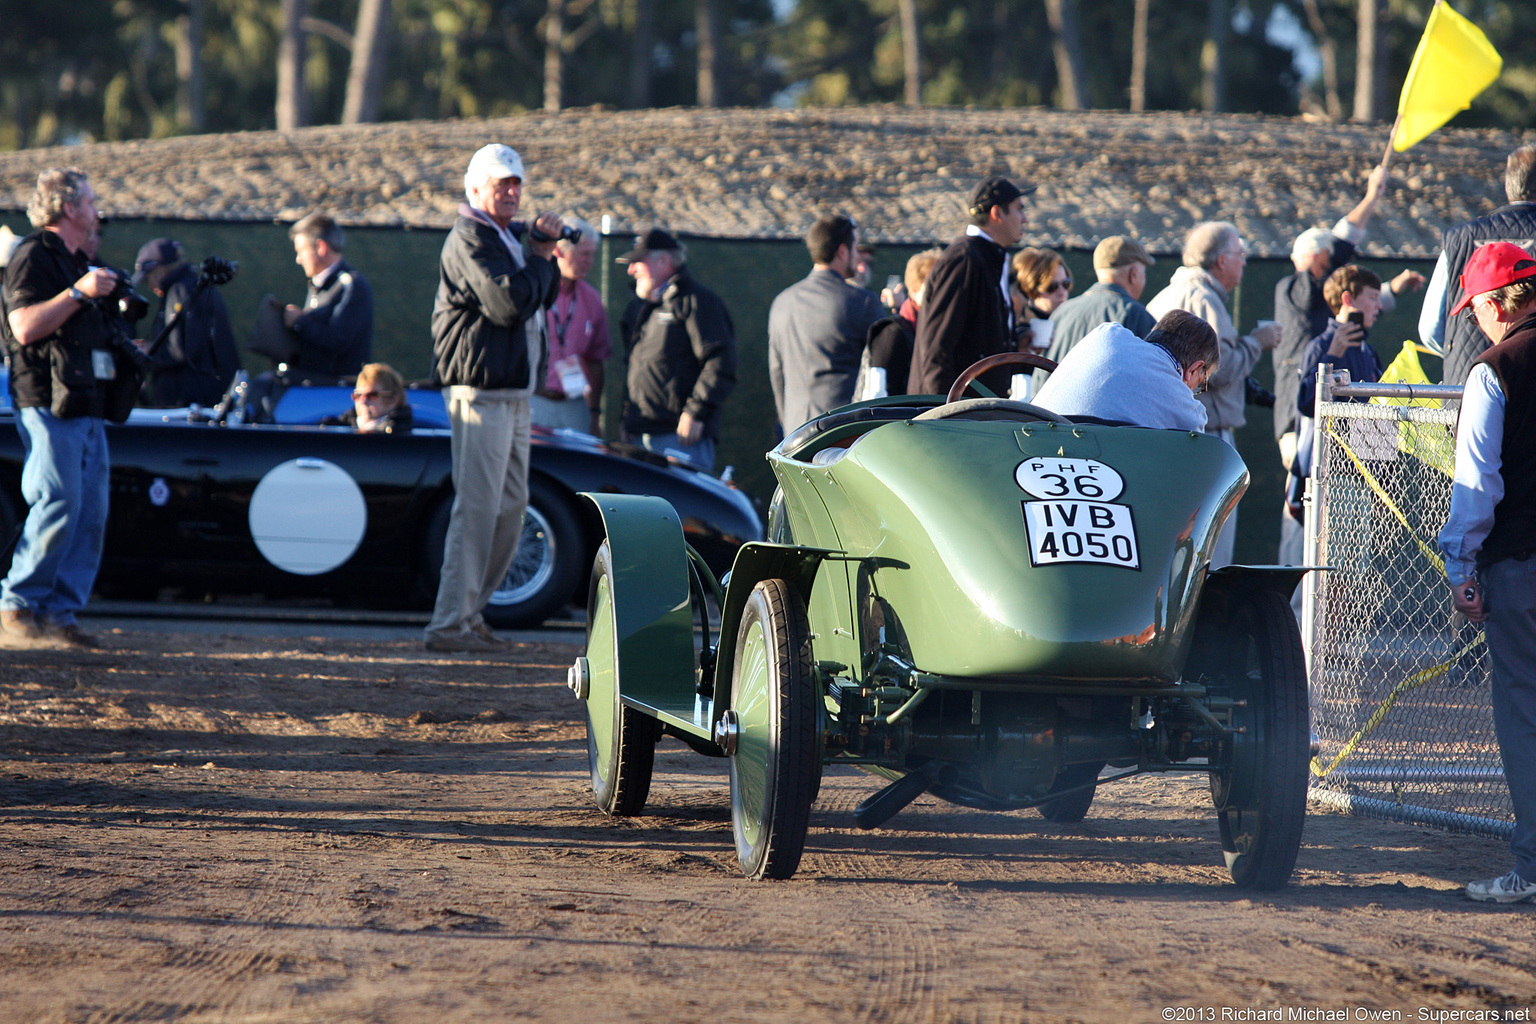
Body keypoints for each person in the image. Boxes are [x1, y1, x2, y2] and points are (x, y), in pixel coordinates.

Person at [425, 143, 561, 653]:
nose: (511, 191)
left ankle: (469, 615)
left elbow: (536, 295)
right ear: (476, 188)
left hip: (510, 393)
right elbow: (508, 303)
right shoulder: (470, 236)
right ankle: (447, 625)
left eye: (516, 183)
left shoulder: (503, 237)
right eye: (501, 183)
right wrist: (542, 257)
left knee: (509, 506)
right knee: (477, 508)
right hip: (479, 392)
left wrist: (539, 260)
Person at [1436, 241, 1536, 904]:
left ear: (1501, 302)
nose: (1476, 321)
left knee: (1526, 714)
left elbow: (1477, 482)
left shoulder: (1495, 369)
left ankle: (1531, 868)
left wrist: (1459, 564)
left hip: (1521, 566)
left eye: (1476, 308)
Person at [0, 168, 121, 649]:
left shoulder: (76, 261)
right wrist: (78, 294)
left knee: (89, 510)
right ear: (68, 207)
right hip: (47, 401)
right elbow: (25, 327)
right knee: (57, 500)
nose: (96, 211)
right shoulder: (33, 255)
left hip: (84, 401)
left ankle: (59, 614)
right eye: (90, 202)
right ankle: (17, 604)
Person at [1146, 221, 1280, 566]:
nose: (1244, 262)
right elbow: (1219, 370)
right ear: (1221, 260)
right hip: (1204, 435)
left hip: (1170, 431)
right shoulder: (1201, 296)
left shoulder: (1170, 292)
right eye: (1240, 254)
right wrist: (1256, 343)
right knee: (1210, 552)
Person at [1275, 166, 1424, 458]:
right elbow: (1310, 402)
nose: (1337, 266)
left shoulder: (1364, 349)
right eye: (1333, 259)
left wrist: (1383, 468)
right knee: (1302, 499)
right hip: (1310, 436)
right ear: (1318, 258)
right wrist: (1371, 197)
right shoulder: (1294, 289)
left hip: (1360, 453)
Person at [618, 227, 736, 471]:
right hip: (639, 437)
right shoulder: (638, 308)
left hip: (681, 439)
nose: (631, 270)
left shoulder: (697, 301)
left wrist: (696, 412)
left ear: (664, 260)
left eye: (638, 261)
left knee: (681, 509)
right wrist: (627, 420)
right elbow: (634, 369)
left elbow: (720, 361)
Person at [1420, 145, 1536, 386]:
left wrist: (1464, 359)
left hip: (1461, 389)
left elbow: (1430, 328)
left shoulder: (1459, 238)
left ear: (1508, 185)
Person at [910, 175, 1034, 398]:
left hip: (976, 413)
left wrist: (1015, 345)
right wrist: (941, 413)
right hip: (955, 418)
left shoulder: (988, 257)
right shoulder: (965, 259)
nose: (1025, 218)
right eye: (1019, 209)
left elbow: (977, 341)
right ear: (997, 213)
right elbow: (937, 347)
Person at [768, 214, 884, 433]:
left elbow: (777, 372)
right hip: (844, 437)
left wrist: (788, 425)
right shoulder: (863, 302)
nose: (858, 255)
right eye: (856, 247)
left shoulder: (781, 302)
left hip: (794, 434)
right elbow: (882, 374)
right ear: (842, 251)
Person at [1032, 310, 1216, 432]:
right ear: (1195, 369)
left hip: (1029, 449)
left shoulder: (1106, 334)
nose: (1194, 393)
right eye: (1200, 384)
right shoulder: (1190, 414)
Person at [1036, 235, 1157, 392]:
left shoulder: (1062, 312)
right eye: (1143, 272)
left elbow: (1040, 377)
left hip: (1049, 414)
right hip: (1100, 416)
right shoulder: (1135, 314)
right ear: (1133, 274)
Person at [132, 237, 239, 408]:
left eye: (147, 279)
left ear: (160, 271)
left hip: (188, 402)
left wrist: (145, 354)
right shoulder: (198, 287)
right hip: (210, 397)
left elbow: (181, 350)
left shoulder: (180, 291)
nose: (150, 286)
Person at [533, 215, 610, 435]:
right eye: (584, 254)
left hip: (574, 405)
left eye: (592, 255)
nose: (590, 261)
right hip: (535, 402)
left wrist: (594, 414)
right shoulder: (533, 289)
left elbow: (596, 361)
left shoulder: (592, 299)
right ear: (559, 252)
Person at [282, 211, 373, 378]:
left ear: (321, 247)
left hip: (334, 392)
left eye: (301, 250)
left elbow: (337, 341)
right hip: (310, 385)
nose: (298, 259)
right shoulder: (317, 284)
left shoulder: (351, 285)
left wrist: (299, 321)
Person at [1295, 265, 1385, 419]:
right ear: (1348, 299)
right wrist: (1333, 357)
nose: (1379, 306)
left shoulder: (1368, 352)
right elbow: (1307, 405)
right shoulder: (1320, 347)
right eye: (1372, 297)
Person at [855, 248, 941, 401]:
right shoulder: (892, 332)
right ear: (914, 291)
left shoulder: (935, 332)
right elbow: (876, 396)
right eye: (934, 285)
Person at [321, 363, 414, 433]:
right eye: (358, 395)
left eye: (371, 395)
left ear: (393, 399)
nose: (363, 401)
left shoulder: (413, 438)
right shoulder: (334, 429)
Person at [1011, 247, 1071, 354]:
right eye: (1052, 286)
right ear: (1032, 289)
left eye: (1066, 283)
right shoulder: (1018, 328)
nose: (1062, 292)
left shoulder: (1073, 321)